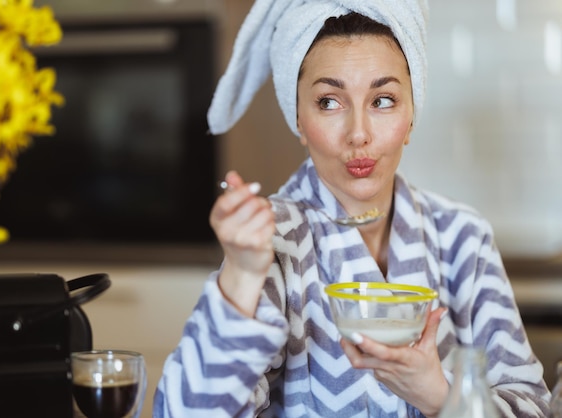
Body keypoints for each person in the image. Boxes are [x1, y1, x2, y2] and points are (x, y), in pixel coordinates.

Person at [153, 0, 551, 416]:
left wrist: (436, 394)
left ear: (412, 114)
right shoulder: (275, 244)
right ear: (299, 120)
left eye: (383, 100)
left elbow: (534, 406)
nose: (358, 134)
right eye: (329, 102)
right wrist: (242, 276)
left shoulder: (463, 238)